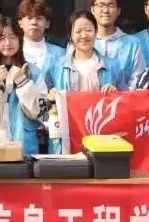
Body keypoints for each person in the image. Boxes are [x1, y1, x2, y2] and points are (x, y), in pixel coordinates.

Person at [45, 10, 121, 153]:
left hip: (101, 136)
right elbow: (43, 105)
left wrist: (115, 93)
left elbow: (125, 102)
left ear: (96, 32)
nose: (84, 35)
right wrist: (50, 97)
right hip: (66, 137)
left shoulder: (112, 65)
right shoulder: (56, 66)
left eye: (88, 30)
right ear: (70, 36)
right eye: (78, 31)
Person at [0, 18, 46, 157]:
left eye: (13, 37)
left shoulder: (33, 72)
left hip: (23, 148)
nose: (8, 43)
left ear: (20, 40)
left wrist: (23, 83)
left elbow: (39, 112)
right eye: (1, 38)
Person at [89, 0, 146, 90]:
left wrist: (118, 94)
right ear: (92, 9)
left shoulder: (133, 44)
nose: (105, 10)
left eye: (110, 5)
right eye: (101, 5)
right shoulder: (82, 42)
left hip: (124, 99)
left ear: (118, 11)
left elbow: (137, 80)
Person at [17, 0, 65, 83]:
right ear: (20, 23)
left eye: (39, 18)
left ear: (47, 24)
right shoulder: (13, 53)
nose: (34, 22)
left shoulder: (60, 54)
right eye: (29, 18)